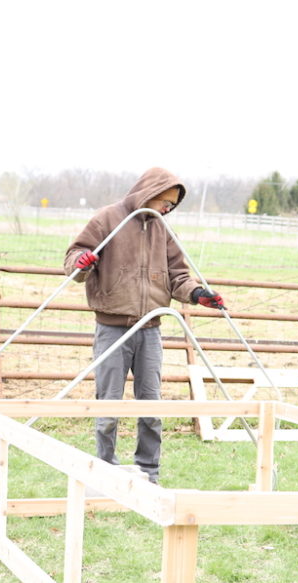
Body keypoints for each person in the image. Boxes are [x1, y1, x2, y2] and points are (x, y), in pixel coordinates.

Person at [63, 167, 226, 485]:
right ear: (149, 193)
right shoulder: (108, 219)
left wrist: (196, 294)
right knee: (108, 405)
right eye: (165, 202)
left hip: (150, 329)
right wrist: (82, 262)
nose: (168, 209)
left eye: (172, 205)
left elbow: (178, 275)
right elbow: (74, 258)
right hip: (112, 327)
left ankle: (148, 471)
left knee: (151, 404)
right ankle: (106, 467)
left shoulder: (162, 230)